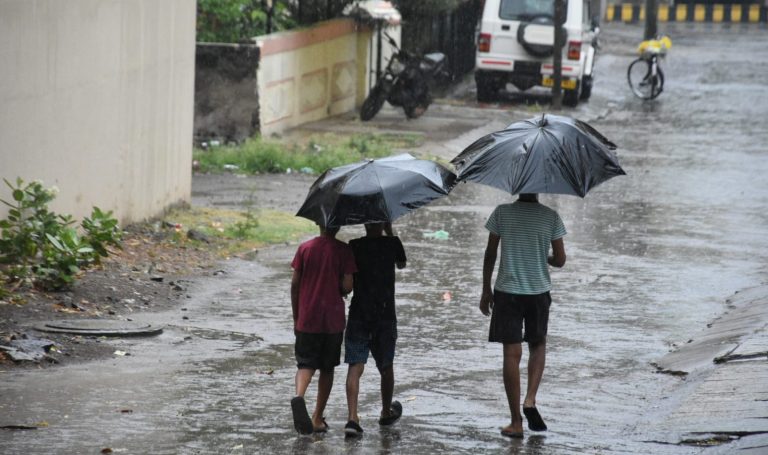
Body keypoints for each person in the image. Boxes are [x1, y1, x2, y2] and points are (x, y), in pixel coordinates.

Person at [479, 193, 566, 438]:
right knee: (537, 345)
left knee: (511, 353)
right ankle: (530, 400)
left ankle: (516, 422)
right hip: (538, 291)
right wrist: (542, 256)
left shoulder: (501, 212)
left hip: (507, 291)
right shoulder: (551, 217)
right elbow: (560, 260)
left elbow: (490, 253)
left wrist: (486, 289)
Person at [290, 224, 357, 435]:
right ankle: (317, 418)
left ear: (319, 224)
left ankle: (299, 396)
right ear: (338, 226)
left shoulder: (305, 248)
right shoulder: (343, 250)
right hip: (332, 321)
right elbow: (348, 286)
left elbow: (295, 284)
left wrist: (296, 316)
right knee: (327, 369)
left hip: (307, 317)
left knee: (305, 364)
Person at [343, 222, 407, 437]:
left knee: (355, 364)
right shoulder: (392, 243)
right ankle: (386, 411)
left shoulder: (354, 246)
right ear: (383, 222)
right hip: (385, 314)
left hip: (359, 312)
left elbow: (348, 278)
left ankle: (352, 418)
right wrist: (390, 231)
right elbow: (402, 264)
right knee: (386, 365)